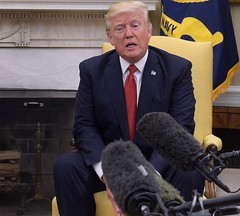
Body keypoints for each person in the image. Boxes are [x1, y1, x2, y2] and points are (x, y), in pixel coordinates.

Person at [53, 1, 205, 215]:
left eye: (135, 25)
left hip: (157, 163)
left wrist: (148, 176)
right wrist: (109, 175)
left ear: (148, 31)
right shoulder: (91, 71)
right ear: (110, 37)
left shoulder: (177, 70)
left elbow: (181, 128)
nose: (129, 34)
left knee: (190, 173)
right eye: (120, 28)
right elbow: (84, 126)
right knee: (66, 166)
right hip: (111, 160)